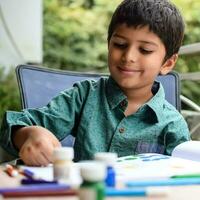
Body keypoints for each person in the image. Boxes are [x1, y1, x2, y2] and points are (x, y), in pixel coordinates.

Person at [0, 0, 190, 166]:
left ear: (167, 63)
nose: (129, 57)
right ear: (108, 45)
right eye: (120, 45)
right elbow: (16, 125)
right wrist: (28, 134)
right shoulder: (83, 96)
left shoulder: (173, 125)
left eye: (145, 50)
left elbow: (186, 176)